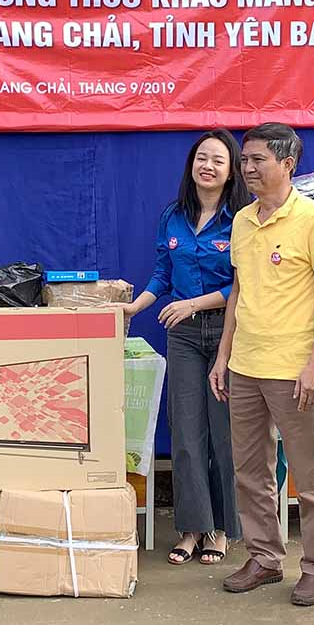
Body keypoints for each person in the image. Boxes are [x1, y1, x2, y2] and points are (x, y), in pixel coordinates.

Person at [209, 122, 314, 607]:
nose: (247, 168)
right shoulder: (242, 220)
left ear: (287, 164)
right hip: (246, 364)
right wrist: (223, 356)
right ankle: (264, 557)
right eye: (244, 160)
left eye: (257, 160)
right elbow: (238, 292)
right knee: (249, 469)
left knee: (309, 474)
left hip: (293, 368)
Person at [118, 130, 249, 565]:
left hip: (229, 333)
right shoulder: (173, 215)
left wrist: (194, 303)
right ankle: (192, 528)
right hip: (184, 336)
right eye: (201, 158)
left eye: (218, 160)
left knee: (224, 434)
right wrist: (134, 307)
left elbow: (244, 284)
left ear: (231, 171)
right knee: (187, 432)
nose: (207, 166)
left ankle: (222, 529)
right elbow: (162, 272)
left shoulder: (243, 219)